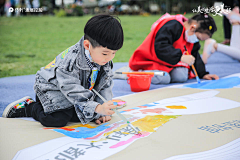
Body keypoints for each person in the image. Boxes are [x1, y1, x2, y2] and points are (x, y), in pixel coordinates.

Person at [2, 14, 124, 127]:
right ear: (87, 45)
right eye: (105, 53)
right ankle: (29, 106)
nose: (110, 57)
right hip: (51, 89)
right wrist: (96, 107)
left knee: (84, 115)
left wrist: (103, 110)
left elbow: (104, 85)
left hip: (78, 90)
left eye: (114, 53)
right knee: (57, 119)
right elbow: (70, 88)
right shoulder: (69, 62)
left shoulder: (103, 59)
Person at [129, 13, 219, 84]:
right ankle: (138, 72)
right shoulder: (172, 25)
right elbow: (161, 47)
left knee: (181, 76)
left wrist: (202, 74)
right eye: (198, 38)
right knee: (164, 78)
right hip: (151, 61)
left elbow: (195, 55)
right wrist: (181, 57)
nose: (197, 41)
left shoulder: (191, 36)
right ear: (192, 27)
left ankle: (164, 73)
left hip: (170, 64)